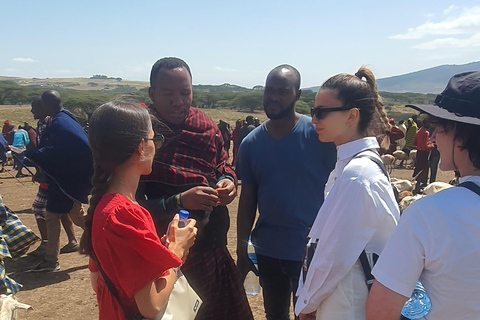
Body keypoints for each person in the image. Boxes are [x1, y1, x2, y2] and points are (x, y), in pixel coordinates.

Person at [136, 57, 253, 320]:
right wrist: (178, 201)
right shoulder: (141, 133)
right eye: (168, 94)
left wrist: (228, 182)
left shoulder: (204, 127)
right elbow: (129, 205)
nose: (178, 100)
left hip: (212, 249)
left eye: (185, 92)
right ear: (152, 93)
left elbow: (222, 164)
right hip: (166, 256)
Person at [366, 71, 480, 320]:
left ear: (462, 134)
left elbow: (381, 311)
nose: (434, 135)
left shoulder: (429, 213)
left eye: (440, 126)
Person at [295, 67, 400, 320]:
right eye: (313, 112)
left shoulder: (359, 174)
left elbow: (334, 256)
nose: (314, 120)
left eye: (321, 112)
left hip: (348, 306)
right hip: (341, 301)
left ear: (352, 115)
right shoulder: (352, 167)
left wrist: (306, 304)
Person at [236, 64, 336, 320]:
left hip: (312, 252)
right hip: (268, 250)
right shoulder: (251, 144)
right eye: (270, 90)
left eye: (282, 91)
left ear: (297, 95)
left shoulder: (319, 136)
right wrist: (241, 251)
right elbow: (248, 199)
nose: (274, 97)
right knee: (275, 316)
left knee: (310, 315)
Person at [80, 101, 197, 320]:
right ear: (141, 146)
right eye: (154, 139)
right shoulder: (125, 214)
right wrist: (176, 249)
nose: (156, 147)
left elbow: (98, 282)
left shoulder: (104, 206)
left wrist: (159, 249)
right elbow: (151, 306)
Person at [25, 90, 93, 272]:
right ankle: (104, 239)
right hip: (66, 179)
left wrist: (31, 154)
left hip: (65, 180)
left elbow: (58, 151)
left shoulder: (60, 123)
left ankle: (51, 261)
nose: (33, 112)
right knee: (72, 216)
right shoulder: (65, 119)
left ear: (46, 105)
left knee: (54, 216)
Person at [27, 97, 79, 257]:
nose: (32, 110)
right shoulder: (49, 123)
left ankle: (47, 246)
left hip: (56, 176)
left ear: (45, 107)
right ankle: (71, 242)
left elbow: (50, 150)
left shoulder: (53, 123)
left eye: (34, 107)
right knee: (65, 211)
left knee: (43, 209)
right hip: (54, 175)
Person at [412, 116, 432, 193]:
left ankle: (417, 186)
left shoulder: (419, 131)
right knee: (424, 169)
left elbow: (415, 142)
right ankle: (420, 187)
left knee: (418, 167)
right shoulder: (426, 132)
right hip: (425, 152)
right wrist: (432, 146)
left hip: (419, 151)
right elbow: (427, 145)